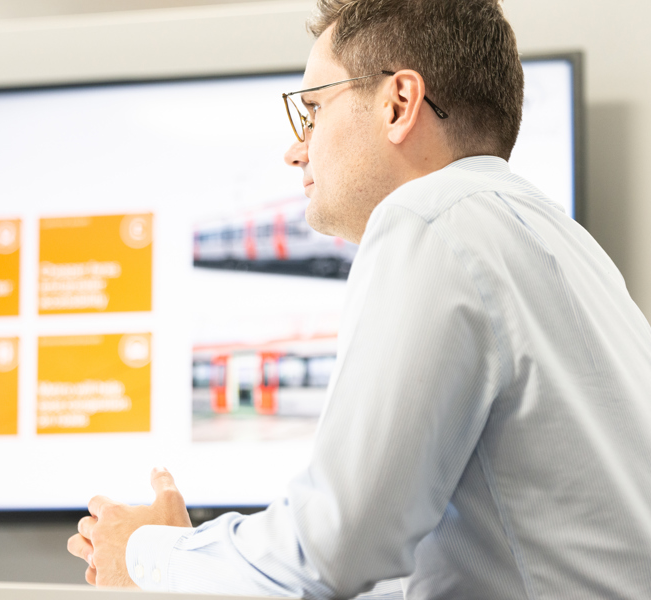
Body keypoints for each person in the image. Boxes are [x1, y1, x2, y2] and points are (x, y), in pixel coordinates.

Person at [67, 0, 651, 597]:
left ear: (399, 104)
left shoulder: (429, 218)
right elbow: (408, 570)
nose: (297, 150)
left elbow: (330, 550)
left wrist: (144, 555)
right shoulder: (556, 238)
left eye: (314, 110)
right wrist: (195, 557)